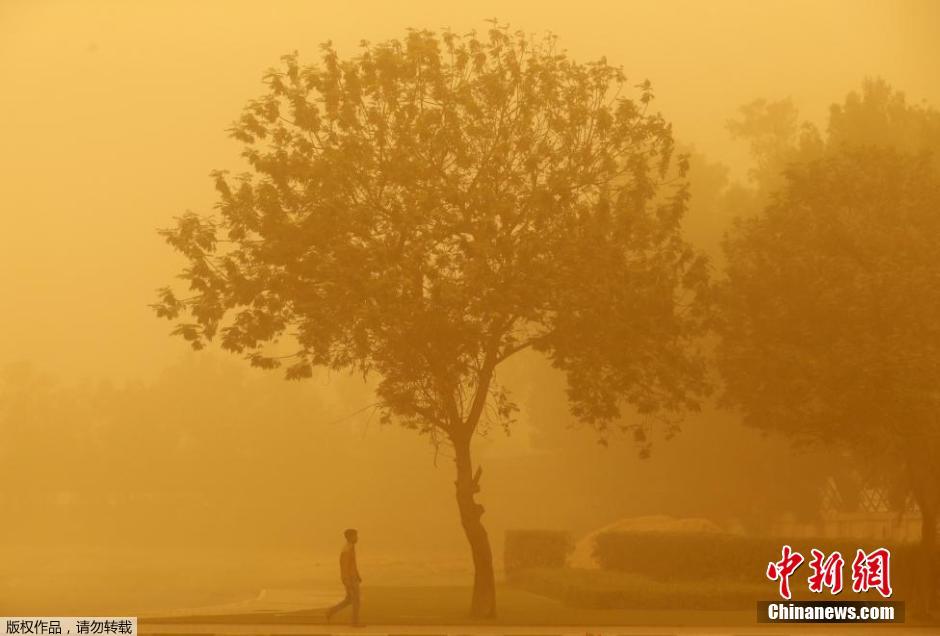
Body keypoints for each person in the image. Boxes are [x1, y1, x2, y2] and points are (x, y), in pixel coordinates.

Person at [325, 528, 362, 626]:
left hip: (353, 577)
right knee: (356, 600)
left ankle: (330, 612)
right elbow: (344, 566)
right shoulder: (346, 549)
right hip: (350, 578)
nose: (357, 538)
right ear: (349, 537)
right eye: (355, 536)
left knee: (349, 599)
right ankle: (355, 622)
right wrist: (346, 580)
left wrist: (358, 575)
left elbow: (353, 564)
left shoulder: (351, 547)